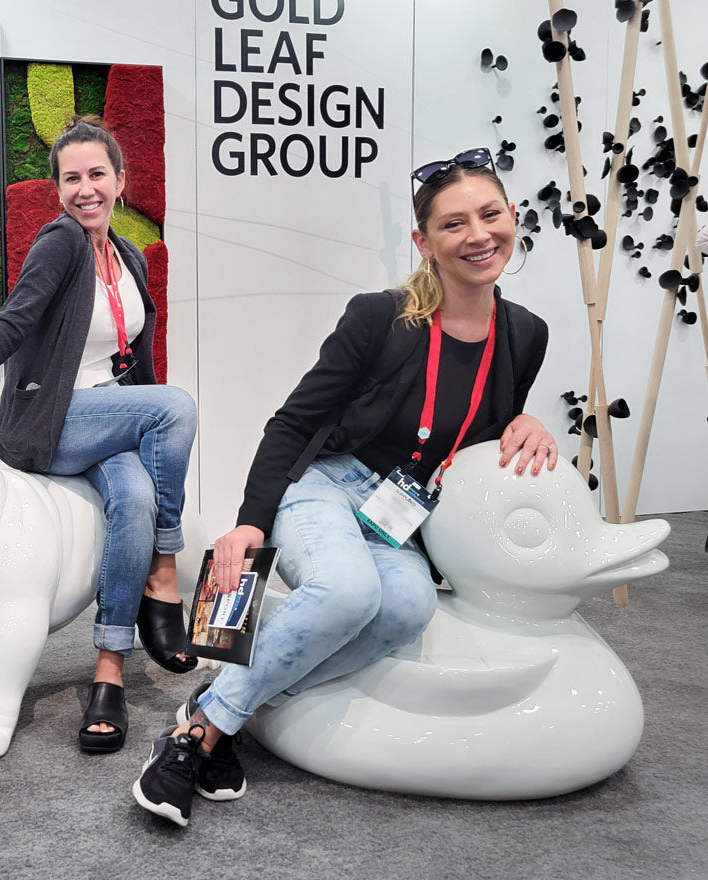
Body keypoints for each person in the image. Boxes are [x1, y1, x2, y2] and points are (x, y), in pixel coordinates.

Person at [132, 147, 556, 826]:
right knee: (349, 592)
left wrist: (527, 421)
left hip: (399, 518)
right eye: (454, 224)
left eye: (490, 213)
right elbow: (293, 422)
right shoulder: (379, 317)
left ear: (512, 216)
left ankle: (216, 706)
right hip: (325, 485)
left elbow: (481, 434)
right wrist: (250, 520)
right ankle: (195, 738)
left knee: (408, 607)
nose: (478, 235)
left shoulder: (525, 334)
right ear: (425, 242)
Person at [0, 116, 198, 754]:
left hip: (108, 411)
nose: (85, 189)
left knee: (131, 498)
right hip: (53, 418)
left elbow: (134, 355)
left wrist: (137, 417)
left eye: (97, 175)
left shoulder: (127, 256)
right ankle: (164, 570)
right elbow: (12, 322)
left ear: (120, 182)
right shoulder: (61, 243)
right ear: (58, 189)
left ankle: (109, 671)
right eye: (71, 178)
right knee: (177, 408)